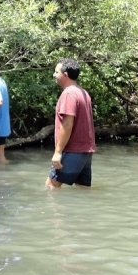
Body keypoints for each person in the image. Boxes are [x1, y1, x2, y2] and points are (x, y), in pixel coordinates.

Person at [46, 58, 96, 189]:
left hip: (73, 150)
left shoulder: (68, 94)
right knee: (83, 190)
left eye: (56, 72)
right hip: (86, 151)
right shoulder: (83, 92)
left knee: (51, 187)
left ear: (65, 75)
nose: (54, 75)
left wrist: (58, 152)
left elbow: (67, 125)